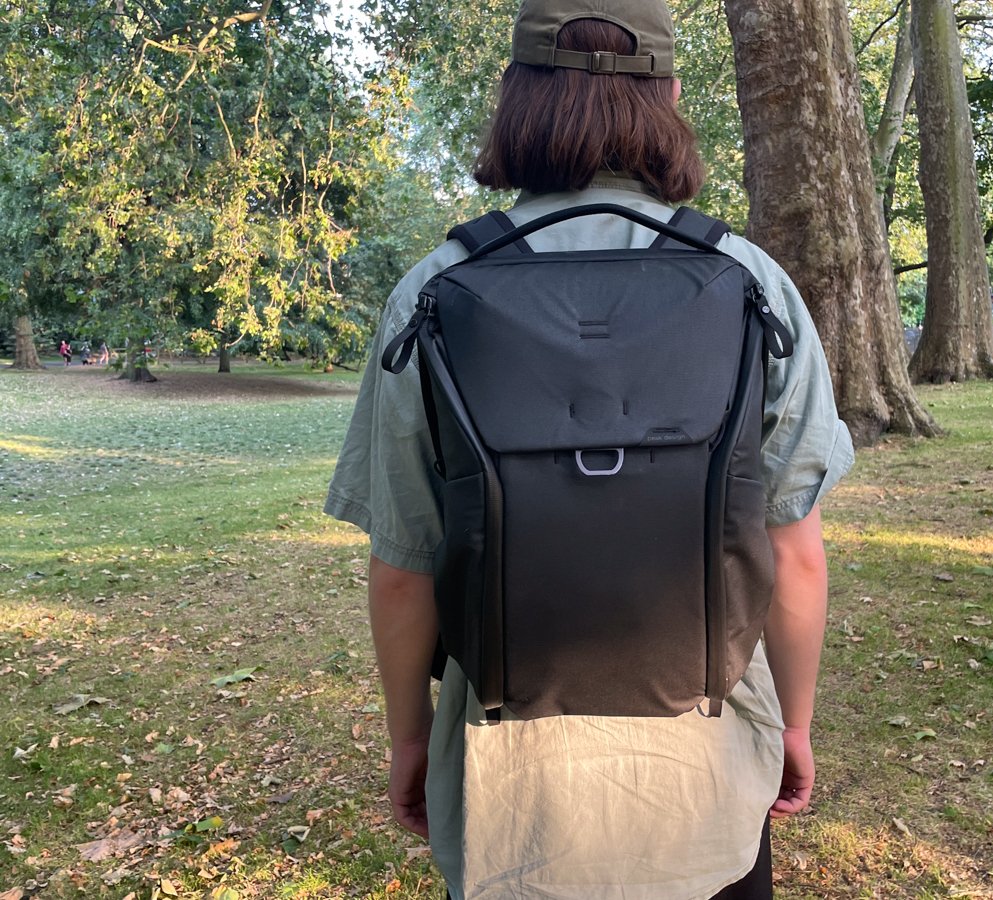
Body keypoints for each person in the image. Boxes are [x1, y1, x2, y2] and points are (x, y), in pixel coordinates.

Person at [325, 2, 854, 897]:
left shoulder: (436, 287)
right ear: (673, 97)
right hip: (707, 773)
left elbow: (403, 568)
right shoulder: (752, 282)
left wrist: (410, 741)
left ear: (515, 98)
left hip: (514, 794)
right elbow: (794, 553)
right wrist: (793, 727)